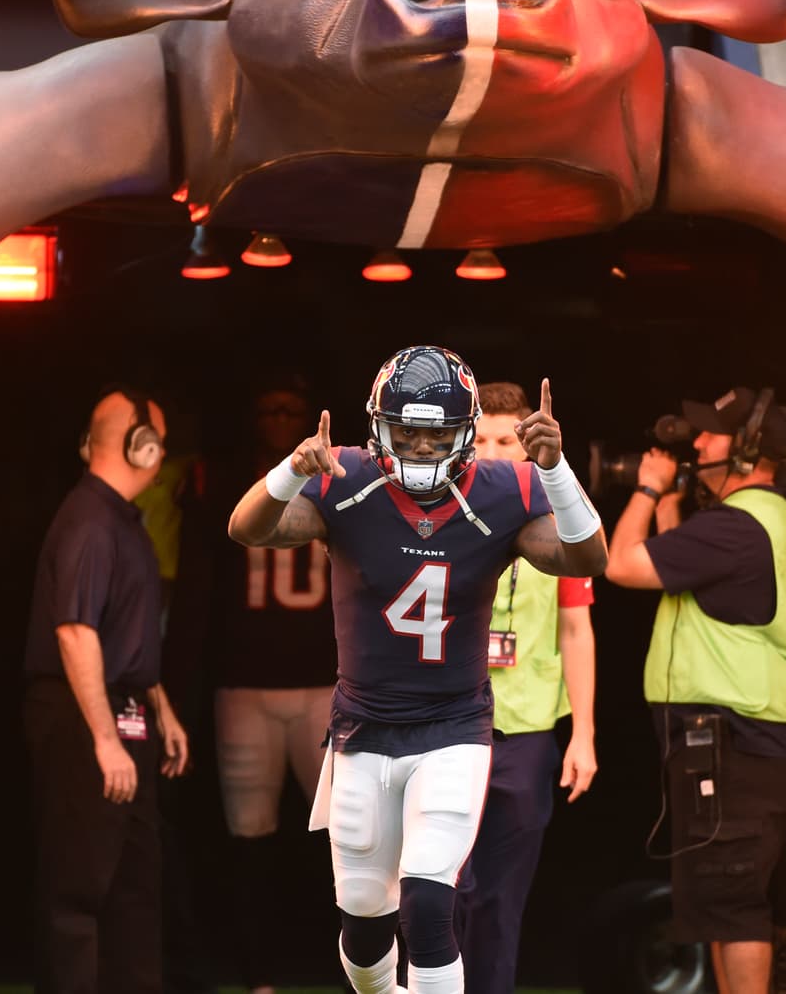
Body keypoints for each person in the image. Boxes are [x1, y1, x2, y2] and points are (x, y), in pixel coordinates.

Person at [228, 346, 608, 994]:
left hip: (453, 727)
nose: (423, 447)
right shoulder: (346, 477)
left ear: (465, 434)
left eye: (437, 434)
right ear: (379, 428)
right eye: (407, 433)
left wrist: (555, 469)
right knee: (363, 926)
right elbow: (248, 529)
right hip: (363, 728)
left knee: (430, 904)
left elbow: (587, 558)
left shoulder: (504, 487)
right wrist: (292, 470)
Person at [604, 386, 786, 994]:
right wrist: (671, 507)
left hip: (740, 741)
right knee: (719, 906)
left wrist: (646, 490)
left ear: (746, 450)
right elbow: (679, 571)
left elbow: (621, 564)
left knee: (735, 905)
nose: (696, 444)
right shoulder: (758, 520)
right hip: (743, 740)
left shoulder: (735, 526)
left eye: (711, 434)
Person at [24, 386, 190, 994]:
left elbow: (125, 633)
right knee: (81, 884)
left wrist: (159, 706)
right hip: (85, 717)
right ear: (140, 445)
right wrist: (103, 737)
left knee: (132, 882)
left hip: (123, 709)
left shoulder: (121, 519)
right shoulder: (90, 521)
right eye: (159, 441)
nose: (162, 453)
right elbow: (75, 632)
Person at [453, 381, 598, 994]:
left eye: (504, 441)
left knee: (501, 901)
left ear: (526, 446)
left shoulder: (559, 516)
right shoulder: (440, 513)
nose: (490, 452)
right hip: (449, 729)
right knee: (440, 891)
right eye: (480, 440)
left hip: (528, 731)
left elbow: (576, 628)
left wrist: (583, 734)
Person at [215, 379, 338, 994]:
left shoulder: (338, 481)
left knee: (345, 838)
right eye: (271, 409)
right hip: (246, 686)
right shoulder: (225, 485)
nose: (282, 419)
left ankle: (352, 969)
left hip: (321, 688)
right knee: (250, 838)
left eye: (292, 410)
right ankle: (258, 976)